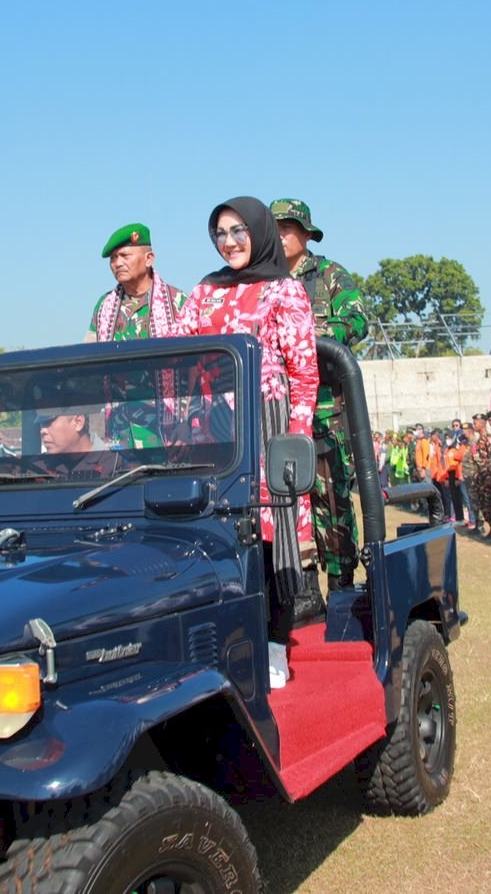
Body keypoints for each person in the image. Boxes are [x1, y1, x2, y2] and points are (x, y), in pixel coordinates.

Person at [173, 198, 319, 632]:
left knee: (271, 541)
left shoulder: (284, 289)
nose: (229, 242)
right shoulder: (204, 291)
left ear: (259, 231)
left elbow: (304, 373)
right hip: (215, 431)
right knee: (219, 538)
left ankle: (274, 643)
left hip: (268, 429)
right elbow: (177, 352)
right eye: (220, 233)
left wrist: (294, 441)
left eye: (239, 231)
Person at [272, 198, 370, 589]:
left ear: (307, 234)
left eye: (288, 228)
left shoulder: (328, 275)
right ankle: (298, 589)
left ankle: (342, 584)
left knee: (333, 502)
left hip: (325, 413)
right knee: (283, 503)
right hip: (277, 413)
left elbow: (357, 321)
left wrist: (308, 342)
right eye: (274, 228)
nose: (280, 236)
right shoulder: (264, 282)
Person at [89, 222, 189, 449]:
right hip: (120, 430)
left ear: (149, 258)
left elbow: (194, 372)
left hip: (168, 430)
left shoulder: (177, 302)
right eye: (113, 258)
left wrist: (188, 423)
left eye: (124, 255)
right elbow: (89, 361)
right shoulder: (104, 307)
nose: (117, 263)